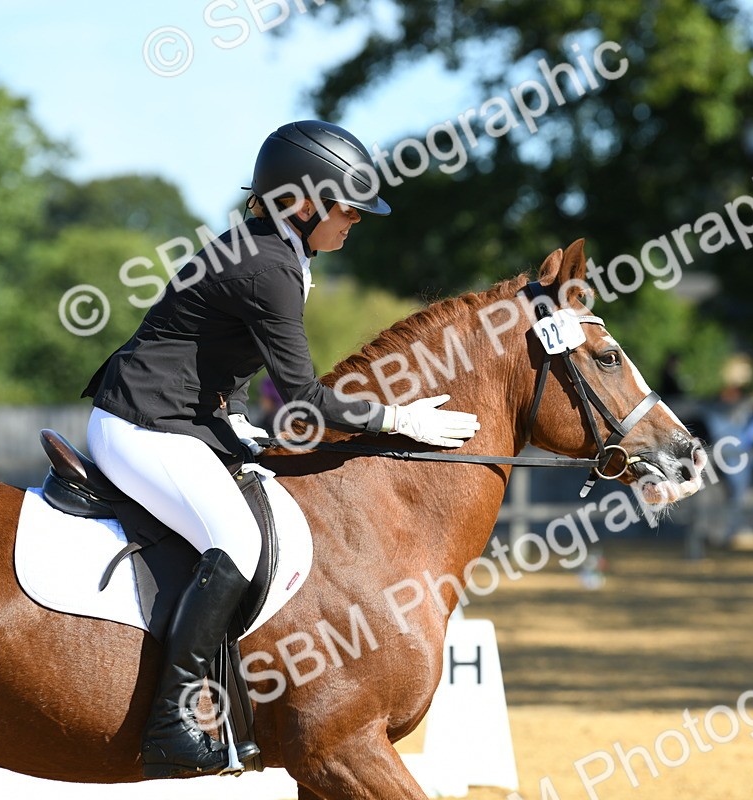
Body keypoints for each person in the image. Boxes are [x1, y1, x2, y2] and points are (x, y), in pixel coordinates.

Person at [80, 120, 480, 778]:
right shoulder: (266, 266)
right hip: (141, 424)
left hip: (183, 418)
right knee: (235, 541)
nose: (355, 220)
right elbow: (303, 400)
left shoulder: (275, 251)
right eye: (347, 207)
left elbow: (212, 357)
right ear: (303, 202)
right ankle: (172, 723)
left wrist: (236, 421)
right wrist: (395, 418)